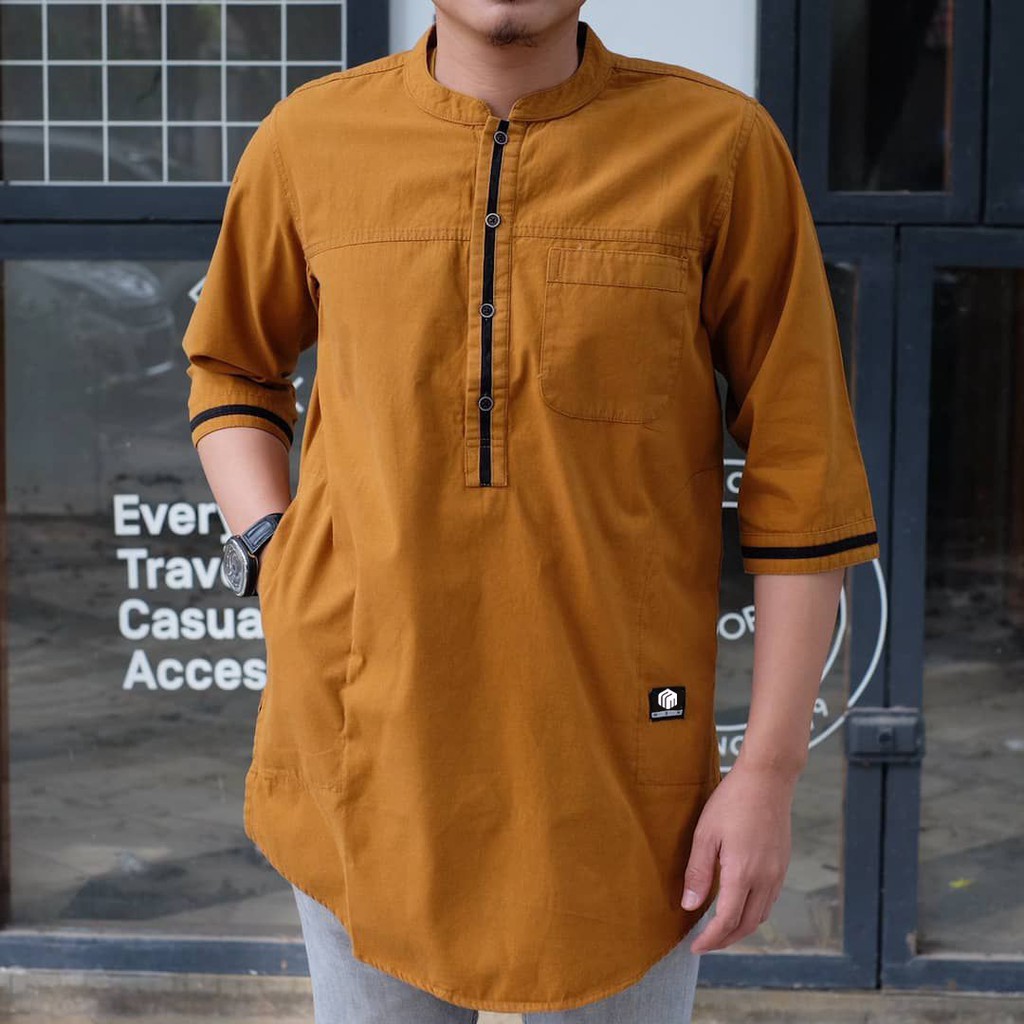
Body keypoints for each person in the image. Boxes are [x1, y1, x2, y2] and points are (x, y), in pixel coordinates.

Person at [181, 2, 881, 1021]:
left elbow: (803, 464)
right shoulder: (310, 139)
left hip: (616, 774)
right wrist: (272, 548)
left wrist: (768, 771)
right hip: (361, 741)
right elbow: (232, 365)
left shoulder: (719, 148)